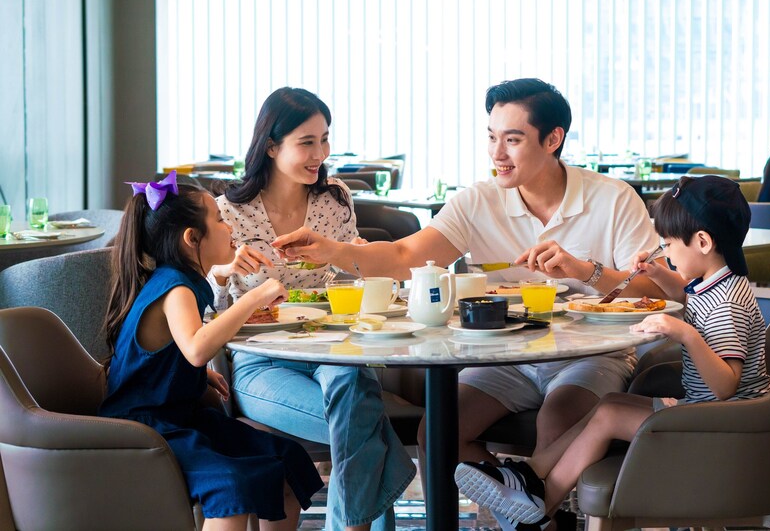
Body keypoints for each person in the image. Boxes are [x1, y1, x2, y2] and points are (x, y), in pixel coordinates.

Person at [270, 78, 688, 470]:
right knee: (438, 434)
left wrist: (585, 271)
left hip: (590, 354)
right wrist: (332, 250)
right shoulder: (478, 201)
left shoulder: (613, 199)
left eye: (512, 140)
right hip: (503, 355)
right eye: (491, 137)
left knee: (556, 425)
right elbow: (403, 255)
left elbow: (658, 291)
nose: (497, 153)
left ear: (553, 139)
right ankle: (516, 502)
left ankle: (527, 505)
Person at [452, 175, 770, 527]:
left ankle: (540, 507)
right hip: (707, 412)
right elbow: (683, 293)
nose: (665, 252)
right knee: (608, 405)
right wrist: (657, 274)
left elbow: (726, 385)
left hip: (724, 424)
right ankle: (529, 476)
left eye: (668, 244)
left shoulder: (727, 304)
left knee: (609, 417)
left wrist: (686, 334)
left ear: (702, 242)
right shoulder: (716, 283)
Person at [209, 87, 415, 531]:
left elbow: (349, 283)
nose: (320, 154)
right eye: (307, 142)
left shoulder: (333, 198)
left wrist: (354, 257)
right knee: (362, 425)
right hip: (262, 361)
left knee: (355, 402)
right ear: (271, 146)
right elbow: (207, 312)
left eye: (325, 139)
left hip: (335, 349)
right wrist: (223, 273)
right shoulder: (228, 212)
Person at [100, 171, 323, 530]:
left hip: (182, 417)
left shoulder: (185, 281)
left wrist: (199, 376)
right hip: (148, 429)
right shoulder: (175, 288)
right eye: (219, 219)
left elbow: (172, 353)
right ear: (192, 238)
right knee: (232, 484)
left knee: (288, 460)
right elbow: (196, 348)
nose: (229, 226)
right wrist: (253, 297)